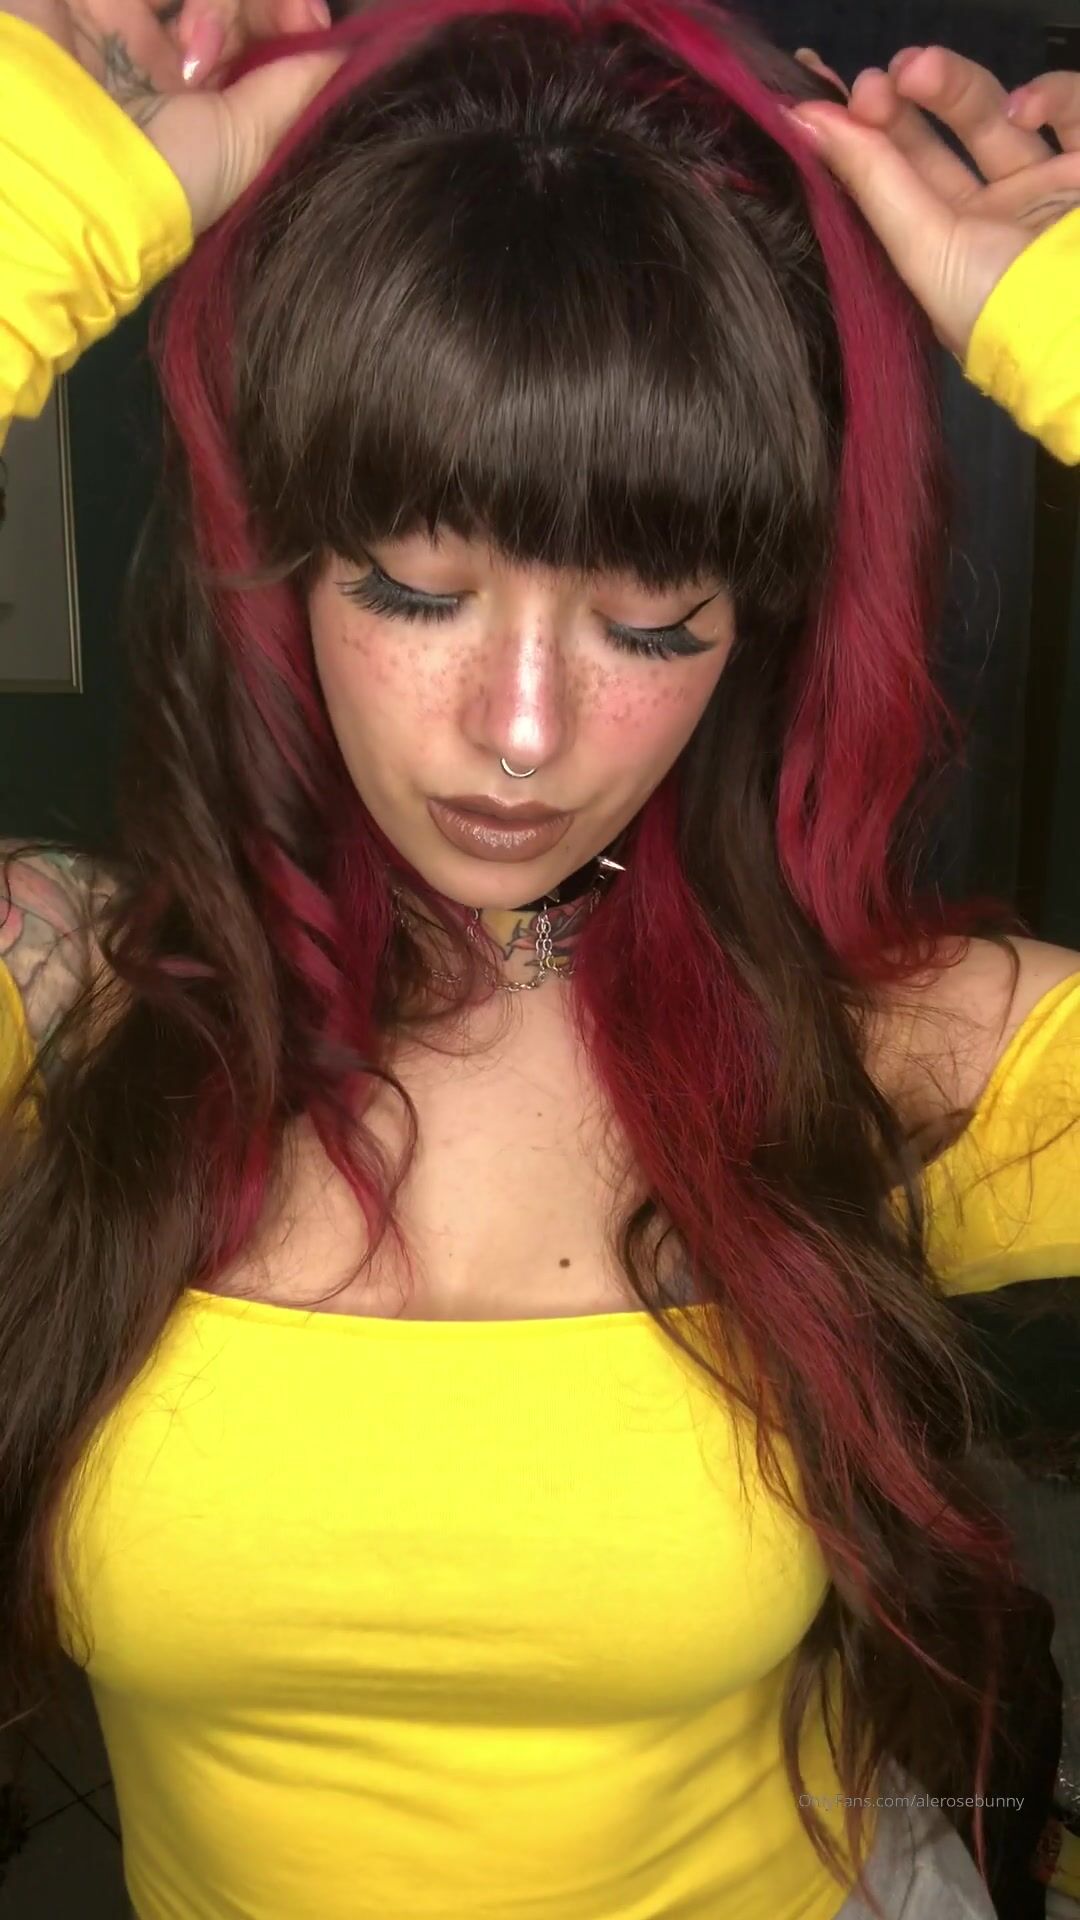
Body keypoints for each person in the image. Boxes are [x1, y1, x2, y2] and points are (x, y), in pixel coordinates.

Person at [1, 1, 1080, 1915]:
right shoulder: (73, 1017)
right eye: (414, 586)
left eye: (651, 623)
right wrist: (42, 186)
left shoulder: (887, 1062)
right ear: (286, 562)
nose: (521, 734)